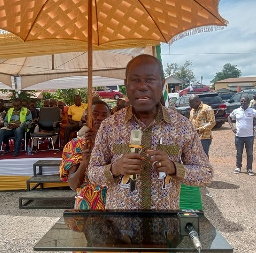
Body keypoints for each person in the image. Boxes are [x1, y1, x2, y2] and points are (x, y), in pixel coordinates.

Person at [88, 54, 213, 210]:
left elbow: (206, 175)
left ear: (162, 84)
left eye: (150, 80)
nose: (142, 86)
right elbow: (92, 174)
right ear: (126, 84)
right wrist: (114, 168)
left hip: (165, 228)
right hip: (121, 228)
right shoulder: (109, 126)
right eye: (135, 80)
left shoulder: (182, 126)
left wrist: (175, 168)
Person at [60, 100, 110, 253]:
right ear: (86, 117)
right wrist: (85, 161)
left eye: (104, 115)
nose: (99, 118)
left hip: (113, 210)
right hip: (85, 211)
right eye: (94, 114)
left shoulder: (117, 145)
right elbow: (74, 184)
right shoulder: (74, 146)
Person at [228, 96, 256, 176]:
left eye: (244, 101)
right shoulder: (236, 111)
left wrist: (254, 124)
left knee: (250, 153)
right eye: (241, 101)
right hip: (239, 136)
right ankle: (238, 167)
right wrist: (232, 127)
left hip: (249, 136)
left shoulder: (252, 111)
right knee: (239, 152)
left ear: (248, 102)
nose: (243, 103)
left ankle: (249, 168)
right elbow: (229, 117)